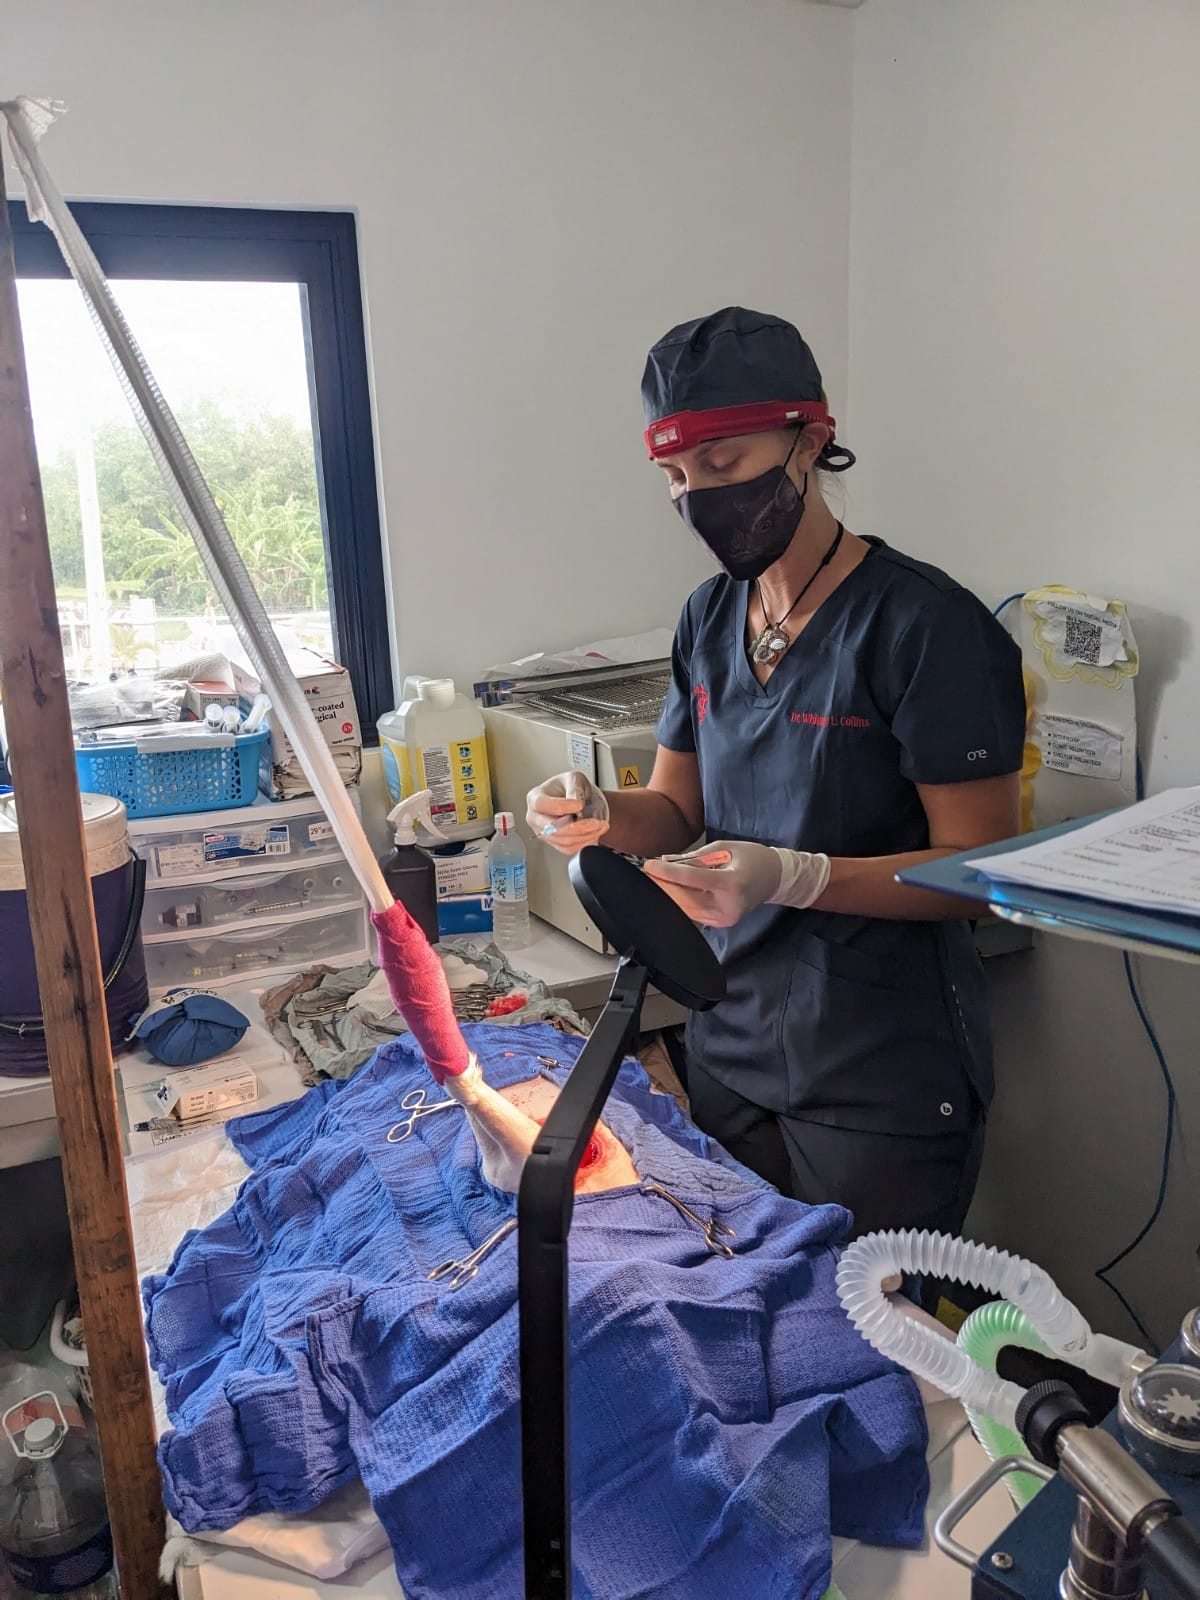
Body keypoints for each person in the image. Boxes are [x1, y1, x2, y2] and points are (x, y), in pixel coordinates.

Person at [527, 306, 1025, 1236]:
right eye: (676, 476)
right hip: (731, 1040)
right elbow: (676, 810)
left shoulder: (926, 630)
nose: (697, 496)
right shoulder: (709, 620)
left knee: (868, 1344)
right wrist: (598, 812)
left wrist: (799, 876)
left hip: (876, 1074)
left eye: (724, 465)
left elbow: (979, 875)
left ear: (812, 440)